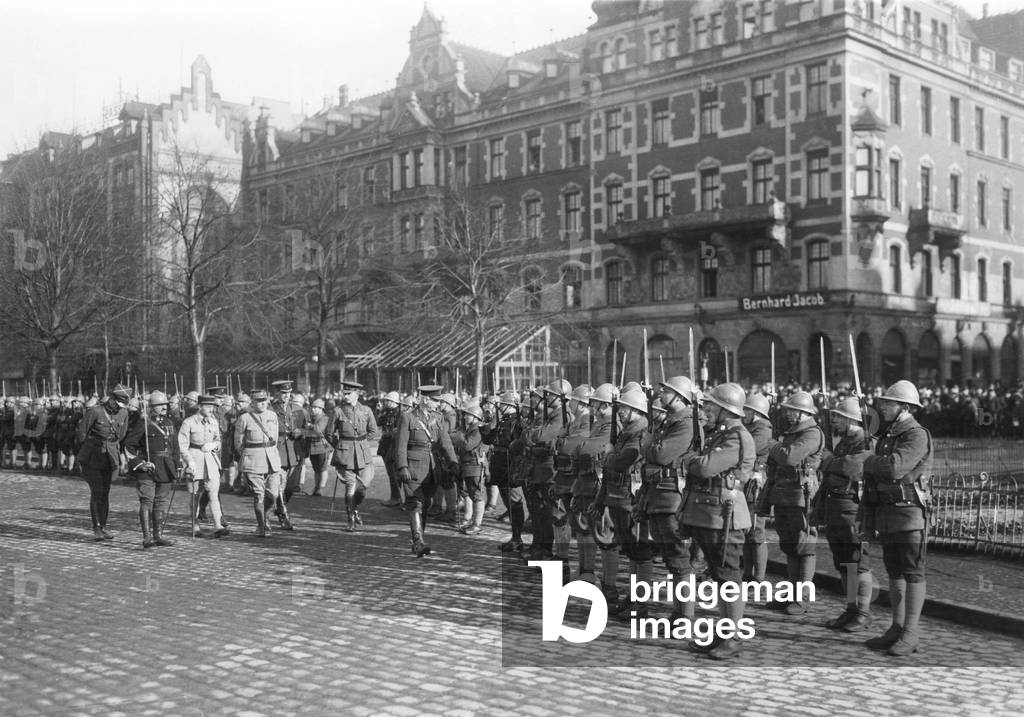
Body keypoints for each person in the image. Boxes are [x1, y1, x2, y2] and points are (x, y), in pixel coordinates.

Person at [678, 382, 755, 660]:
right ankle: (724, 632)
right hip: (712, 515)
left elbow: (706, 466)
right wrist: (696, 460)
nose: (707, 410)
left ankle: (733, 636)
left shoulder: (737, 437)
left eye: (711, 406)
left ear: (725, 410)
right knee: (721, 577)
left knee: (729, 577)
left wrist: (692, 460)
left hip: (726, 517)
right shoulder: (722, 434)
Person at [861, 380, 933, 656]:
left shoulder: (916, 435)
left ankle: (911, 632)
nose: (882, 406)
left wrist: (868, 461)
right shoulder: (890, 435)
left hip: (909, 513)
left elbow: (894, 468)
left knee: (912, 570)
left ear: (904, 407)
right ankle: (897, 626)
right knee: (893, 569)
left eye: (888, 403)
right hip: (889, 511)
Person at [813, 396, 876, 632]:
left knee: (858, 562)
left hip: (852, 508)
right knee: (843, 563)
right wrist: (833, 462)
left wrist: (830, 462)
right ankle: (850, 608)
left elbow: (853, 467)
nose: (834, 421)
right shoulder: (844, 443)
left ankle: (863, 612)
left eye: (838, 417)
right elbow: (831, 465)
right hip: (835, 507)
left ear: (850, 418)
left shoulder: (865, 443)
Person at [760, 390, 824, 615]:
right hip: (785, 493)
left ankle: (803, 597)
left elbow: (789, 456)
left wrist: (774, 445)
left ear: (802, 413)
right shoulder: (792, 432)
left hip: (801, 495)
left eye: (791, 410)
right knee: (789, 544)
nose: (787, 413)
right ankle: (792, 592)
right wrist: (778, 447)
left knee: (804, 545)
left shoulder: (812, 433)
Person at [638, 376, 696, 621]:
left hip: (672, 494)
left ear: (679, 397)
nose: (661, 395)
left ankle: (684, 616)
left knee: (679, 558)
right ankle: (677, 613)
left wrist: (649, 446)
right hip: (658, 493)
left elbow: (661, 454)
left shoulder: (685, 423)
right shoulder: (670, 422)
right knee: (671, 559)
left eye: (666, 392)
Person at [595, 385, 649, 618]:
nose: (622, 413)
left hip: (630, 496)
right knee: (630, 550)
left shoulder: (640, 432)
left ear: (637, 410)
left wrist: (608, 455)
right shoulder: (627, 431)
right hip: (617, 494)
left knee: (639, 551)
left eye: (626, 409)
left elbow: (624, 459)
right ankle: (632, 598)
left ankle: (640, 602)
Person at [393, 385, 457, 557]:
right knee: (415, 503)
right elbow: (400, 446)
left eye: (439, 401)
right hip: (413, 465)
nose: (438, 404)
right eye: (435, 400)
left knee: (426, 504)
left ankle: (420, 537)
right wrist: (402, 467)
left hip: (432, 466)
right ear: (425, 399)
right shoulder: (408, 418)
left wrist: (453, 461)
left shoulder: (439, 418)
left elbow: (445, 442)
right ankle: (418, 542)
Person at [570, 383, 615, 590]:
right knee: (583, 528)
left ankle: (607, 583)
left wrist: (578, 445)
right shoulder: (597, 423)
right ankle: (586, 570)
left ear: (605, 405)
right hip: (585, 479)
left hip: (598, 481)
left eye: (596, 403)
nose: (593, 407)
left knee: (602, 533)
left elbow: (587, 448)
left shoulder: (610, 425)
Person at [124, 390, 179, 548]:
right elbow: (129, 445)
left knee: (160, 502)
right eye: (160, 405)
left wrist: (179, 464)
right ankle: (147, 537)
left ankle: (158, 535)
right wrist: (141, 463)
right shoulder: (144, 423)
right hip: (148, 469)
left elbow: (175, 446)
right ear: (152, 407)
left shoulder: (169, 422)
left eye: (165, 405)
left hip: (166, 467)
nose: (164, 408)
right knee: (147, 501)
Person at [76, 385, 132, 540]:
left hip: (110, 457)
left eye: (122, 405)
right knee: (97, 491)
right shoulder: (95, 412)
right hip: (93, 456)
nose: (119, 407)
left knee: (106, 491)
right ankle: (97, 527)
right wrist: (87, 448)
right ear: (112, 399)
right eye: (118, 403)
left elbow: (121, 434)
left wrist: (111, 445)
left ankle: (104, 526)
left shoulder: (124, 413)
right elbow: (81, 432)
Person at [551, 385, 592, 573]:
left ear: (581, 403)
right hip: (563, 474)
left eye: (573, 400)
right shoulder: (574, 421)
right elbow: (557, 442)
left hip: (575, 477)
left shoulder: (587, 421)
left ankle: (585, 567)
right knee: (560, 518)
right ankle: (562, 557)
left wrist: (563, 441)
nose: (570, 403)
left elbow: (568, 445)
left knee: (580, 523)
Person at [331, 380, 380, 531]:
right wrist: (340, 446)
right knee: (350, 486)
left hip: (363, 453)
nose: (345, 396)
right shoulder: (338, 411)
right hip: (345, 454)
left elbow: (373, 431)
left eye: (349, 393)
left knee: (363, 487)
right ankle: (350, 517)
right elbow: (329, 432)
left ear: (357, 395)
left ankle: (355, 507)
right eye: (344, 393)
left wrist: (362, 443)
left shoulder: (366, 410)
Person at [178, 395, 229, 538]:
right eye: (207, 406)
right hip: (195, 459)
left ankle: (218, 525)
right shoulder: (188, 423)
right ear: (200, 406)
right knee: (195, 495)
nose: (211, 409)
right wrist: (189, 461)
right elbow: (182, 445)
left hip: (210, 460)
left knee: (213, 492)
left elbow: (218, 439)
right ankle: (195, 526)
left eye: (212, 406)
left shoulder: (213, 421)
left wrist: (214, 445)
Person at [234, 389, 283, 537]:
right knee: (259, 494)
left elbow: (274, 436)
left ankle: (265, 517)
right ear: (252, 403)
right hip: (253, 460)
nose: (261, 404)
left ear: (267, 401)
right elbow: (238, 442)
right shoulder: (244, 418)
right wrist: (247, 455)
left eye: (263, 401)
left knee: (273, 495)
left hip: (272, 459)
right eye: (257, 401)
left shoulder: (273, 415)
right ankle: (261, 526)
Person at [482, 391, 524, 552]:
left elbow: (518, 445)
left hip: (510, 464)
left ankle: (517, 537)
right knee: (508, 501)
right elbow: (490, 439)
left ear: (510, 406)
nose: (500, 408)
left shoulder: (516, 422)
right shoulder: (503, 420)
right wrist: (485, 427)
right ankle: (514, 536)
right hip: (499, 462)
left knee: (514, 502)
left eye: (503, 405)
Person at [742, 392, 776, 584]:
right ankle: (748, 573)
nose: (743, 413)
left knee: (756, 530)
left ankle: (758, 576)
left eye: (746, 410)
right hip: (748, 482)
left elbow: (748, 449)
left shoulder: (762, 430)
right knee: (747, 530)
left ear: (754, 412)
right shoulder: (751, 427)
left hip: (756, 483)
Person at [455, 399, 489, 535]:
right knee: (470, 493)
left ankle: (477, 524)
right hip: (468, 465)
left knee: (477, 495)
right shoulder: (470, 429)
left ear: (475, 417)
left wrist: (459, 437)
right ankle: (471, 521)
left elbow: (468, 445)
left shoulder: (478, 430)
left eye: (467, 414)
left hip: (475, 466)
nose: (464, 417)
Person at [377, 391, 404, 507]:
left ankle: (397, 498)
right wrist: (380, 411)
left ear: (393, 402)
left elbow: (397, 430)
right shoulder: (387, 412)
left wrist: (389, 433)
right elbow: (379, 422)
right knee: (391, 473)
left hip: (393, 445)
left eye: (387, 400)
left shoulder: (399, 413)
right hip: (386, 445)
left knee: (395, 474)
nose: (385, 402)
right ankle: (396, 497)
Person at [305, 398, 333, 496]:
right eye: (312, 407)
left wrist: (309, 426)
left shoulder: (324, 418)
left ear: (321, 409)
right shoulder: (312, 418)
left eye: (316, 408)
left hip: (322, 446)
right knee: (316, 469)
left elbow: (318, 430)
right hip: (312, 447)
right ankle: (316, 487)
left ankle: (321, 488)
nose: (313, 409)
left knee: (322, 468)